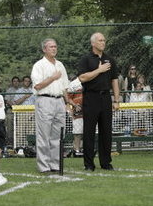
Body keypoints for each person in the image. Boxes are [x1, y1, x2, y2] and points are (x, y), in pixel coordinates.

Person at [78, 32, 120, 171]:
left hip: (106, 97)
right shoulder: (86, 59)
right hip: (91, 97)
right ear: (93, 43)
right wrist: (99, 70)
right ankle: (89, 164)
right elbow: (83, 78)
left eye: (104, 40)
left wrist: (116, 100)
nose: (103, 42)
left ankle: (106, 162)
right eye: (100, 40)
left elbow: (114, 80)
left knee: (106, 131)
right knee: (89, 131)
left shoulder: (110, 59)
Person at [31, 38, 70, 173]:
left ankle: (55, 164)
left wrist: (68, 102)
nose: (54, 49)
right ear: (44, 49)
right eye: (51, 47)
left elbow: (65, 86)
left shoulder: (60, 65)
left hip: (59, 100)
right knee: (44, 135)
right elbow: (37, 85)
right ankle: (44, 166)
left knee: (58, 134)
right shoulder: (39, 65)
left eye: (55, 46)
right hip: (45, 100)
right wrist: (52, 77)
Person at [67, 75, 84, 158]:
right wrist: (75, 105)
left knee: (89, 131)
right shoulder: (73, 84)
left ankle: (86, 149)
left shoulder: (91, 80)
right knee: (77, 132)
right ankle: (76, 150)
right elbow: (68, 98)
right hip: (78, 110)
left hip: (90, 109)